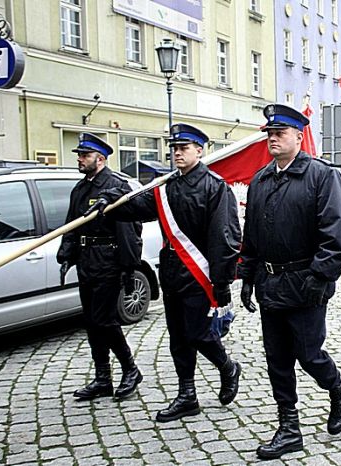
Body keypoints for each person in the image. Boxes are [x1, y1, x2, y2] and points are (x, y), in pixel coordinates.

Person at [87, 123, 243, 422]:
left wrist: (222, 280)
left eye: (183, 148)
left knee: (199, 334)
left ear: (200, 151)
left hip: (200, 273)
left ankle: (227, 366)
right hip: (172, 271)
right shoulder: (167, 185)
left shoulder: (214, 187)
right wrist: (111, 202)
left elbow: (224, 236)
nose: (177, 153)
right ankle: (187, 396)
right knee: (178, 337)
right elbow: (138, 207)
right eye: (174, 149)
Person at [238, 104, 341, 460]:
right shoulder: (261, 180)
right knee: (277, 359)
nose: (273, 139)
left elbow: (340, 233)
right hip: (270, 283)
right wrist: (247, 275)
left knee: (309, 355)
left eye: (280, 133)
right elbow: (252, 234)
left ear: (299, 137)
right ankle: (289, 428)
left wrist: (320, 275)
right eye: (270, 134)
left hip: (305, 282)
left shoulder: (322, 176)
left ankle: (337, 389)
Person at [57, 133, 144, 402]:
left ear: (101, 159)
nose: (80, 159)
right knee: (92, 322)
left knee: (104, 320)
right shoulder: (81, 189)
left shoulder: (116, 187)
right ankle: (103, 378)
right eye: (79, 155)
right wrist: (66, 253)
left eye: (85, 155)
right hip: (87, 260)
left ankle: (130, 369)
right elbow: (72, 224)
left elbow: (130, 230)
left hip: (109, 260)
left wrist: (128, 266)